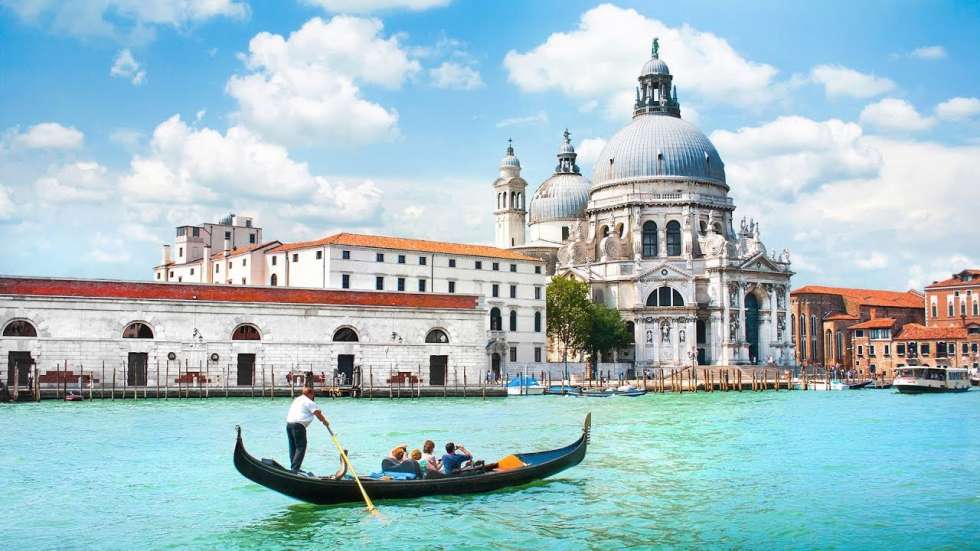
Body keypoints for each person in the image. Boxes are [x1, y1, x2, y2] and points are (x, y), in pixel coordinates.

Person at [285, 384, 331, 474]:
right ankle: (295, 469)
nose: (314, 397)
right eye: (313, 395)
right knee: (301, 447)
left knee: (293, 446)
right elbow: (317, 413)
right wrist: (325, 421)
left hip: (289, 424)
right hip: (298, 426)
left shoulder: (297, 399)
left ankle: (293, 467)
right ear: (310, 393)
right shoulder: (309, 401)